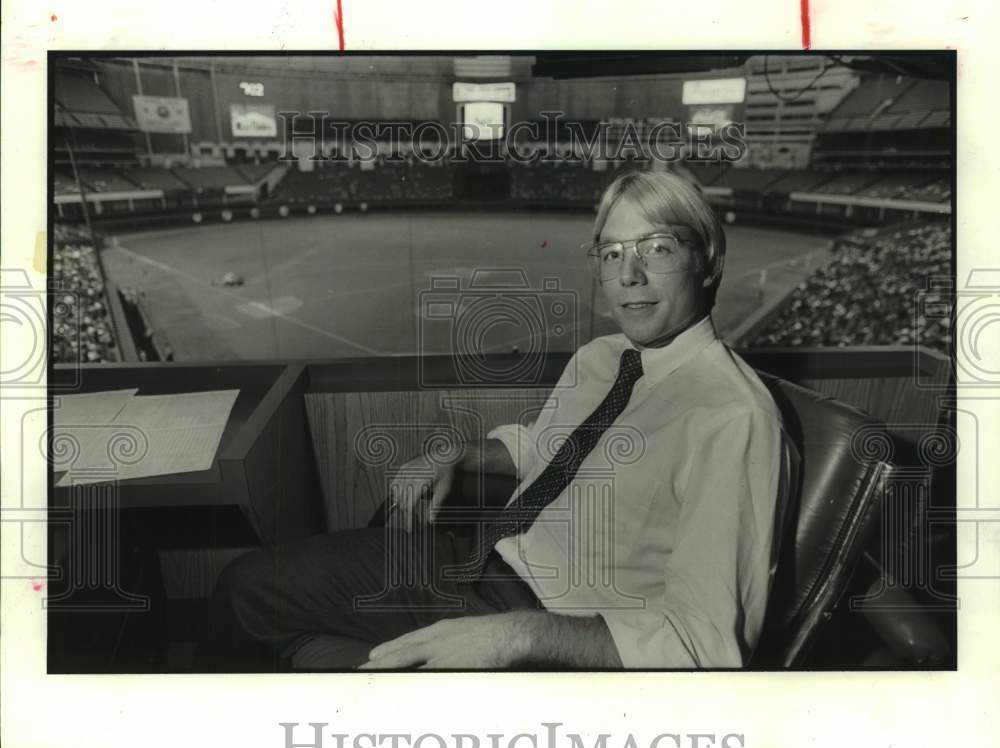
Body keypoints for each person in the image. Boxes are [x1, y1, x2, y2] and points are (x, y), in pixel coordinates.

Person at [198, 169, 793, 671]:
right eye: (611, 253)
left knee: (253, 603)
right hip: (485, 560)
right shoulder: (604, 358)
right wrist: (461, 454)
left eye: (656, 247)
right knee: (249, 585)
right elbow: (552, 449)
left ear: (709, 259)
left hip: (557, 627)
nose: (628, 275)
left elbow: (707, 644)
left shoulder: (732, 419)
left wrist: (517, 635)